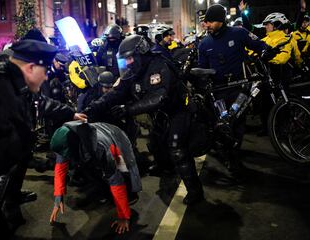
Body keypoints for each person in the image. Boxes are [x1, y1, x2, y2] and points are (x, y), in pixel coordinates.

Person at [0, 39, 86, 239]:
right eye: (45, 70)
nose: (47, 77)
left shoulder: (16, 82)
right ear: (31, 68)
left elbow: (39, 103)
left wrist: (69, 114)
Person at [83, 35, 204, 205]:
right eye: (126, 60)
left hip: (178, 110)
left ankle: (195, 191)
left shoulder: (159, 66)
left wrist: (128, 109)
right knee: (156, 143)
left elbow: (158, 97)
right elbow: (116, 92)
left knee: (177, 148)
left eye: (131, 58)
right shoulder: (134, 71)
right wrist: (91, 108)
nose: (129, 63)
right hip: (159, 114)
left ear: (142, 53)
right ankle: (165, 167)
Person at [198, 4, 268, 175]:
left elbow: (259, 45)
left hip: (239, 87)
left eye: (209, 21)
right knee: (224, 125)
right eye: (205, 22)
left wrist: (267, 51)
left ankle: (234, 156)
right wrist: (203, 80)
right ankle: (231, 159)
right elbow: (202, 69)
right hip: (218, 91)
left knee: (238, 123)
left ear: (220, 21)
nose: (205, 25)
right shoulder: (204, 43)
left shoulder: (238, 33)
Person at [49, 121, 142, 234]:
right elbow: (60, 168)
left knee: (123, 170)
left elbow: (116, 181)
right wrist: (58, 197)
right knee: (92, 172)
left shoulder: (101, 148)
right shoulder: (64, 141)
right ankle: (106, 192)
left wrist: (123, 217)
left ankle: (129, 196)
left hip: (115, 138)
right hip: (91, 143)